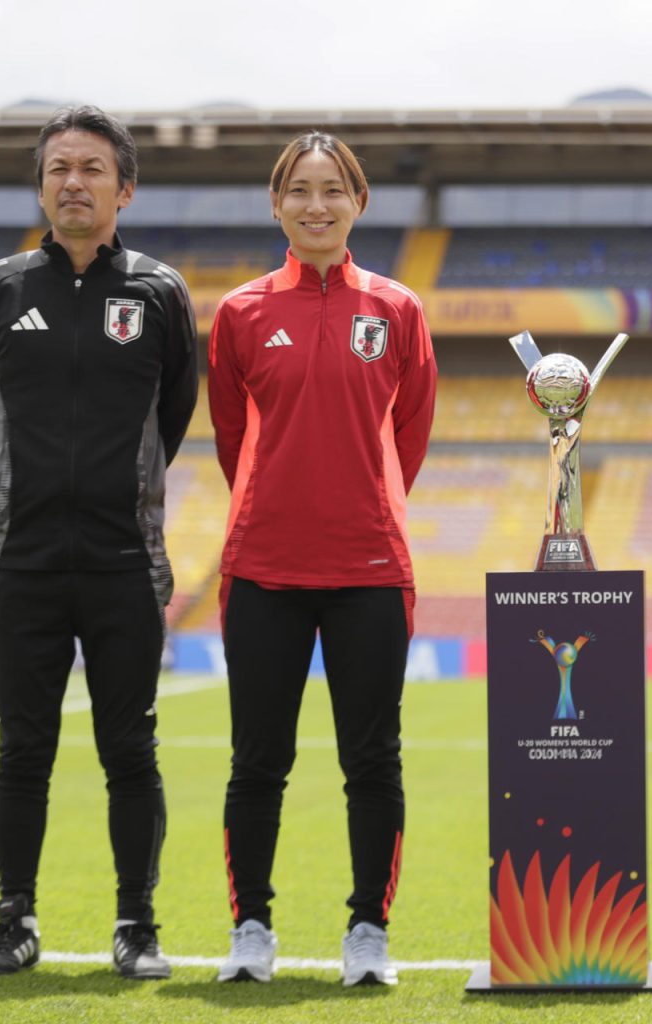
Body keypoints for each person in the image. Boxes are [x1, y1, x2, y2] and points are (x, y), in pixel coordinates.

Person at [0, 105, 198, 979]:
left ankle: (136, 924)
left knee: (129, 749)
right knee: (22, 749)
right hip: (21, 561)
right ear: (40, 184)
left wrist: (113, 497)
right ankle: (13, 921)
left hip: (123, 563)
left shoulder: (159, 293)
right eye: (59, 167)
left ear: (123, 188)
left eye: (92, 168)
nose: (74, 181)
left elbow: (173, 413)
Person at [207, 131, 437, 986]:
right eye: (299, 190)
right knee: (257, 760)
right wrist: (284, 504)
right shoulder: (239, 313)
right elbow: (234, 439)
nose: (316, 204)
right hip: (263, 565)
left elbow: (409, 435)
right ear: (277, 206)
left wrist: (357, 504)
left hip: (372, 569)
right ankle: (252, 929)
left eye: (332, 189)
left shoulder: (398, 311)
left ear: (359, 203)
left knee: (372, 760)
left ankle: (368, 930)